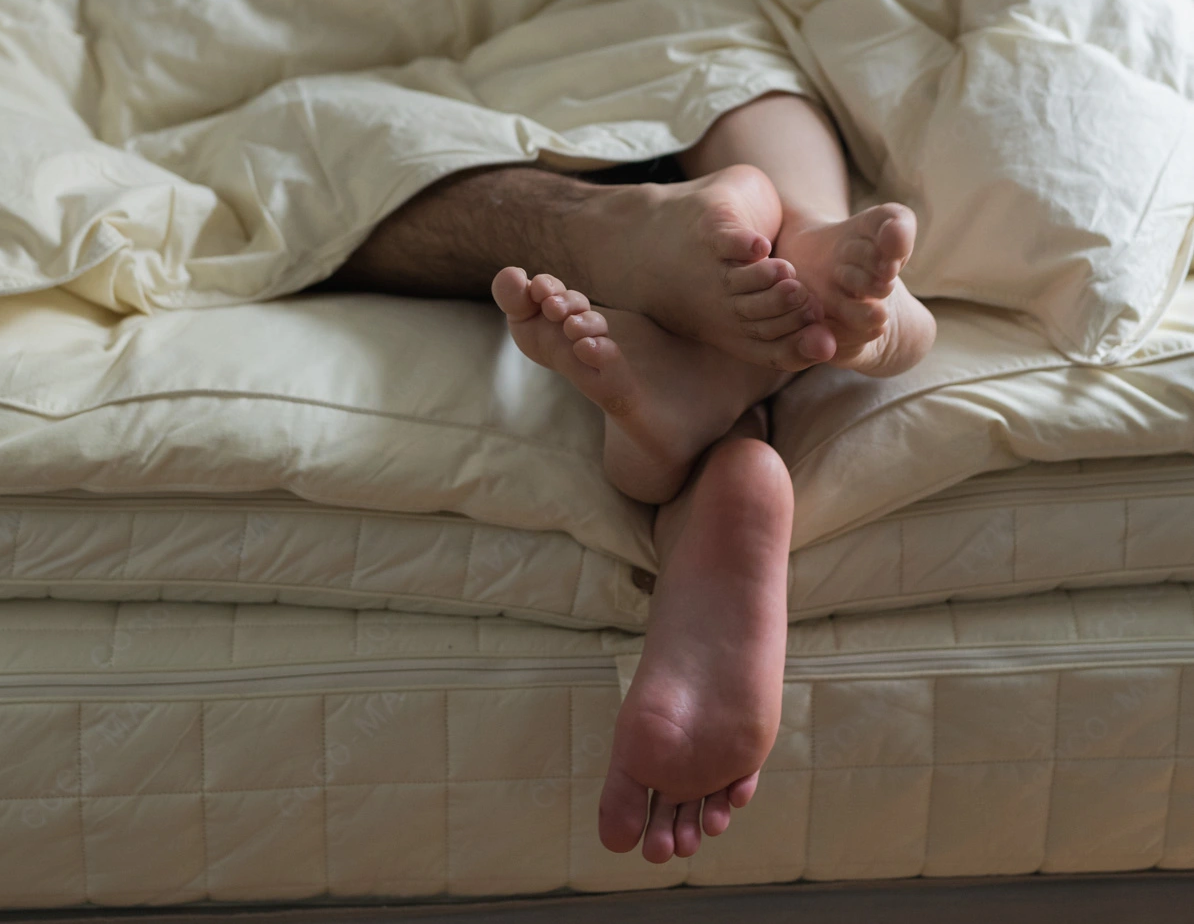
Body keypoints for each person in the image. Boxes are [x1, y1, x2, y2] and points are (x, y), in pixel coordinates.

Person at [335, 90, 936, 864]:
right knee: (735, 78)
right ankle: (811, 261)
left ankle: (688, 384)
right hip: (681, 111)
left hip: (558, 169)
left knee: (329, 164)